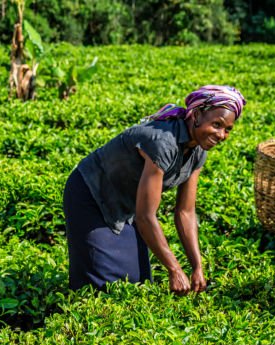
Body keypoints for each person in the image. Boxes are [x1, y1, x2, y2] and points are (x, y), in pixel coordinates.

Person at [64, 85, 246, 294]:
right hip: (90, 195)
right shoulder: (163, 143)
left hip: (125, 204)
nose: (221, 135)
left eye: (228, 129)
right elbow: (145, 216)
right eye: (217, 124)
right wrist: (175, 269)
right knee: (104, 287)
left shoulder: (198, 153)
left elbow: (185, 212)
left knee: (137, 281)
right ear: (196, 115)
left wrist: (197, 267)